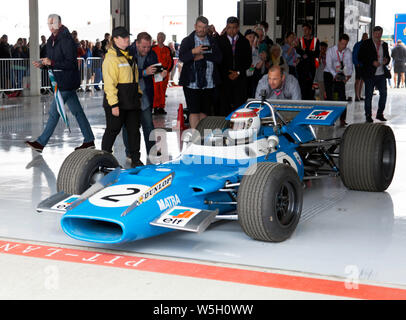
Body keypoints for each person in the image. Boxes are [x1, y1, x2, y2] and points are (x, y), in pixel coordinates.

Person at [25, 14, 95, 153]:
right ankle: (89, 139)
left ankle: (41, 143)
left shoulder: (66, 39)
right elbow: (53, 61)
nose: (51, 26)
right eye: (48, 23)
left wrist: (51, 63)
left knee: (53, 113)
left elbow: (71, 63)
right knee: (78, 112)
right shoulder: (52, 39)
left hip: (66, 82)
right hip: (60, 81)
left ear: (60, 23)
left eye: (53, 23)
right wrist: (44, 65)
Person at [101, 26, 143, 168]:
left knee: (134, 132)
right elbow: (109, 83)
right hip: (117, 102)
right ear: (115, 39)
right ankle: (103, 160)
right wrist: (114, 104)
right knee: (112, 130)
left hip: (131, 102)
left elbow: (134, 78)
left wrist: (139, 94)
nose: (127, 39)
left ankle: (136, 160)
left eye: (127, 37)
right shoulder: (111, 59)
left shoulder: (128, 56)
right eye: (123, 37)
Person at [179, 15, 222, 128]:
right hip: (191, 83)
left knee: (205, 111)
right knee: (193, 111)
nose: (201, 30)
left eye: (204, 27)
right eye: (199, 27)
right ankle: (195, 138)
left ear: (207, 28)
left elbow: (219, 58)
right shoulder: (187, 41)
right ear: (195, 26)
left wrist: (203, 56)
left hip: (209, 83)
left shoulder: (212, 41)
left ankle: (203, 137)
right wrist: (193, 52)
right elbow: (182, 58)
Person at [128, 32, 164, 159]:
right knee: (130, 126)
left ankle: (152, 150)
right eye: (143, 47)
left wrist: (161, 74)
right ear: (137, 43)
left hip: (145, 95)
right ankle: (130, 152)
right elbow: (126, 74)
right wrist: (144, 72)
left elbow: (157, 74)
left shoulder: (152, 54)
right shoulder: (128, 53)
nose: (146, 50)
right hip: (130, 94)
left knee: (148, 123)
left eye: (148, 47)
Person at [218, 16, 252, 116]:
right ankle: (225, 127)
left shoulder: (244, 41)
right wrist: (227, 73)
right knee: (224, 105)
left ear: (237, 28)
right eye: (229, 27)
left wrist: (238, 72)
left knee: (239, 105)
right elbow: (218, 61)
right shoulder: (220, 41)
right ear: (226, 27)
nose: (231, 30)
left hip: (240, 78)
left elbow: (248, 61)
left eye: (234, 28)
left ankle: (239, 127)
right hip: (224, 78)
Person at [358, 26, 391, 123]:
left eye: (380, 34)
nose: (378, 36)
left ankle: (380, 114)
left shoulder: (384, 44)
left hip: (381, 74)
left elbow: (388, 57)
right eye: (376, 34)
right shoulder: (366, 43)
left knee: (384, 94)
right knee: (369, 96)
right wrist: (372, 62)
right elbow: (360, 57)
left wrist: (386, 60)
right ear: (373, 33)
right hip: (370, 74)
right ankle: (368, 115)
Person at [323, 34, 353, 127]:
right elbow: (328, 64)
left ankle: (342, 119)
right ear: (339, 42)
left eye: (345, 44)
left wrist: (348, 76)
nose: (343, 46)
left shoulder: (347, 52)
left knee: (342, 97)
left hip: (339, 73)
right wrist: (334, 75)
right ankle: (330, 119)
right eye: (342, 44)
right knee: (330, 96)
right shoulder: (331, 50)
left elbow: (349, 65)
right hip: (329, 73)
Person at [296, 23, 320, 100]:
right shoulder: (300, 40)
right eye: (304, 30)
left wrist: (306, 53)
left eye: (306, 30)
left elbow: (316, 53)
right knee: (302, 85)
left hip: (311, 66)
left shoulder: (316, 40)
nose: (305, 31)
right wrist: (308, 52)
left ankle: (310, 99)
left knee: (311, 84)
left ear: (310, 30)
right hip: (302, 67)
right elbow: (298, 51)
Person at [152, 32, 174, 115]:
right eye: (158, 36)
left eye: (161, 37)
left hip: (164, 72)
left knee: (162, 90)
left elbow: (171, 61)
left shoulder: (167, 49)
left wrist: (167, 71)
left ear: (164, 38)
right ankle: (155, 107)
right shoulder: (153, 48)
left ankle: (161, 107)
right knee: (155, 90)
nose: (160, 38)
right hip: (156, 71)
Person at [353, 33, 369, 101]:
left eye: (367, 37)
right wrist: (356, 63)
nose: (366, 38)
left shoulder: (368, 45)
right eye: (364, 36)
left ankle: (359, 95)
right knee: (358, 80)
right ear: (362, 37)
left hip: (365, 65)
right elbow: (354, 55)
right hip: (359, 65)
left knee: (362, 80)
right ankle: (356, 96)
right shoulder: (358, 44)